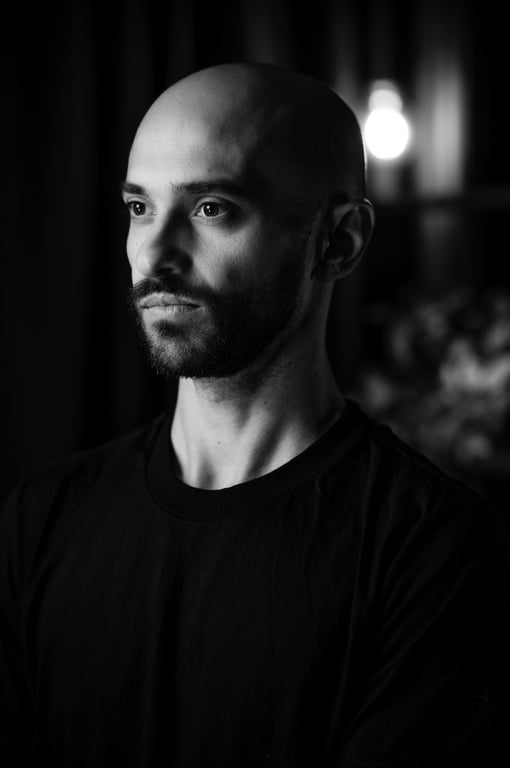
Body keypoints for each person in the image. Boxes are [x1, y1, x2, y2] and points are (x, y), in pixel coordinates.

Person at [1, 62, 509, 768]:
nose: (155, 254)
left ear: (339, 240)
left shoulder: (430, 549)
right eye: (139, 208)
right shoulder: (45, 517)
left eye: (211, 209)